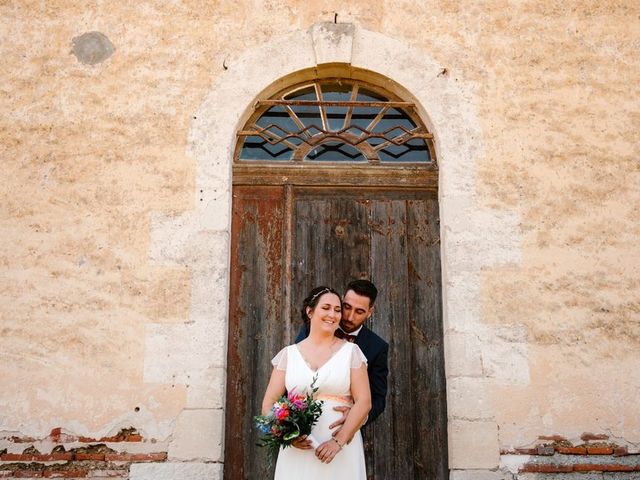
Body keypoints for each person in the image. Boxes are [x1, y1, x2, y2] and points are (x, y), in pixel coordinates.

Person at [262, 286, 371, 479]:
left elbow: (364, 401)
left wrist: (337, 442)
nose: (333, 314)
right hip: (299, 449)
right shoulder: (289, 355)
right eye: (326, 308)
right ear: (310, 311)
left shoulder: (351, 353)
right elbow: (269, 403)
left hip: (340, 449)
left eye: (337, 310)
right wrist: (288, 435)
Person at [295, 280, 388, 433]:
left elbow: (378, 398)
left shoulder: (377, 347)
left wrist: (357, 419)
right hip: (302, 428)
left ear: (370, 312)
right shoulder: (310, 329)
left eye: (359, 312)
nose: (350, 317)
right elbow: (294, 375)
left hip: (344, 432)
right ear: (342, 299)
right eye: (347, 307)